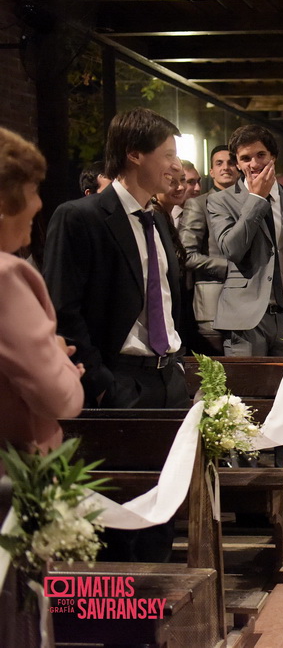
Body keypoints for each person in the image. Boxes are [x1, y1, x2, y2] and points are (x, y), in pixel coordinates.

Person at [44, 107, 188, 563]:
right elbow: (63, 308)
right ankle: (122, 618)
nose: (177, 168)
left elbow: (166, 297)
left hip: (168, 379)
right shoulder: (81, 217)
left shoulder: (158, 218)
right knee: (119, 511)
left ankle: (158, 606)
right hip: (120, 380)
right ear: (133, 155)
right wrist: (102, 383)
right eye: (167, 155)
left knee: (164, 505)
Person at [0, 127, 83, 454]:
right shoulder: (6, 277)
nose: (37, 203)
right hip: (13, 477)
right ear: (5, 200)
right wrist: (59, 359)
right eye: (34, 188)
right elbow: (59, 398)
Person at [207, 125, 283, 356]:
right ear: (237, 164)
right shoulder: (220, 201)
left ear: (273, 157)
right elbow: (232, 249)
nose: (254, 164)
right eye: (245, 158)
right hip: (245, 320)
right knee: (246, 391)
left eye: (261, 155)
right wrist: (256, 198)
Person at [178, 144, 236, 352]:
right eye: (219, 163)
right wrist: (230, 268)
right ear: (211, 171)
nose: (226, 167)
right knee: (215, 376)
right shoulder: (199, 204)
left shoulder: (252, 203)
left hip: (249, 307)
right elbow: (186, 255)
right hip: (212, 305)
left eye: (231, 162)